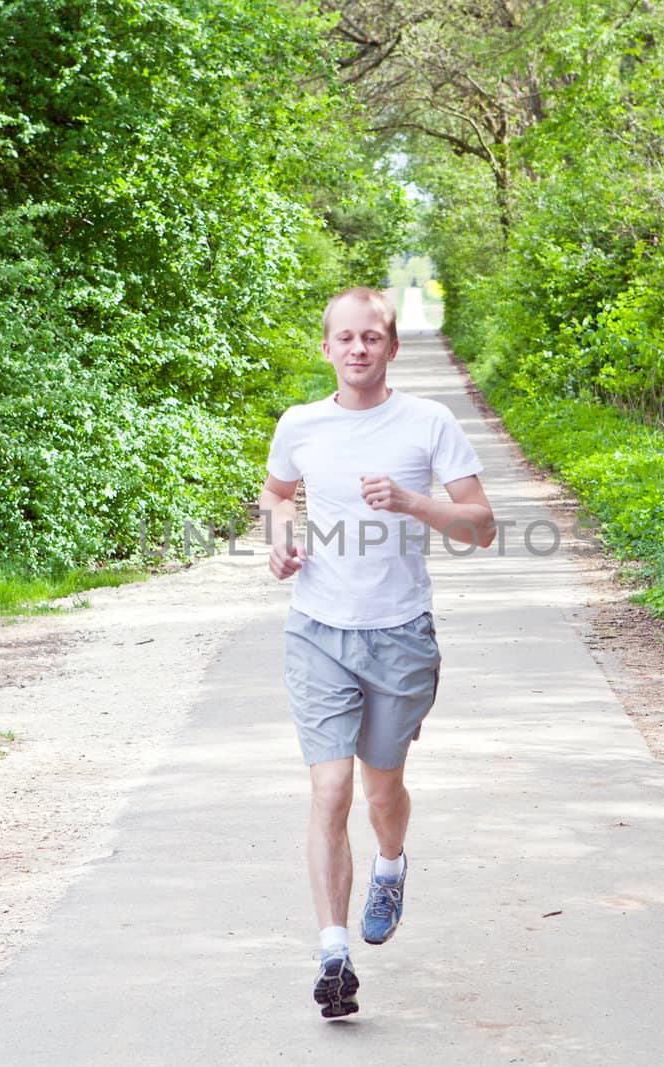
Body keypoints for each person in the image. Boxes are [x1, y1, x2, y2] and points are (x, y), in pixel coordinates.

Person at [259, 286, 496, 1019]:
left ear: (392, 347)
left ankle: (390, 865)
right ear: (325, 347)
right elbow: (275, 493)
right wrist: (279, 541)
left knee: (381, 790)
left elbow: (482, 525)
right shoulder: (300, 423)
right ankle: (333, 952)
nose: (359, 348)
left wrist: (413, 502)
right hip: (317, 631)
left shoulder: (427, 422)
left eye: (373, 337)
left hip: (398, 634)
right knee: (329, 790)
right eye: (346, 337)